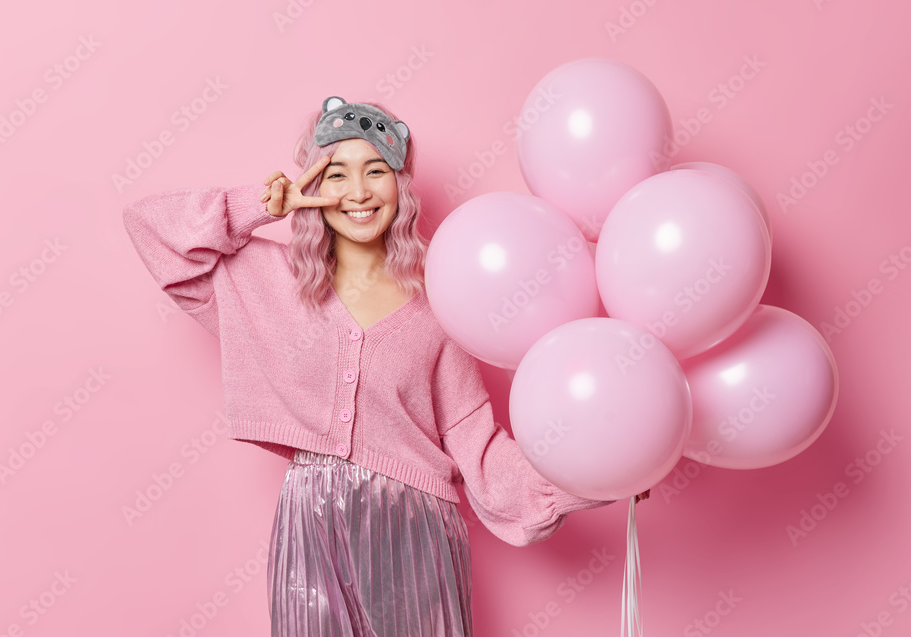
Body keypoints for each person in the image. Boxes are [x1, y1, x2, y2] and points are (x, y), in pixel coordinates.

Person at [122, 96, 614, 637]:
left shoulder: (439, 304)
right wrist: (265, 206)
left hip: (415, 528)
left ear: (399, 186)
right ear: (313, 183)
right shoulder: (266, 283)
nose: (357, 192)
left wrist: (595, 469)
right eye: (336, 174)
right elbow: (151, 228)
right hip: (310, 525)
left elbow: (476, 443)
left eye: (375, 170)